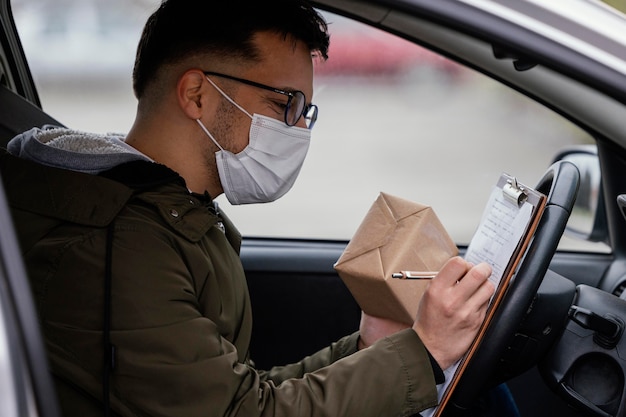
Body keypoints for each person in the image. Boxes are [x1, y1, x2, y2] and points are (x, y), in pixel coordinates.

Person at [0, 0, 501, 416]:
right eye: (286, 104)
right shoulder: (116, 245)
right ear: (196, 93)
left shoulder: (167, 212)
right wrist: (423, 353)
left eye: (306, 111)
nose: (299, 129)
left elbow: (233, 392)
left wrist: (371, 347)